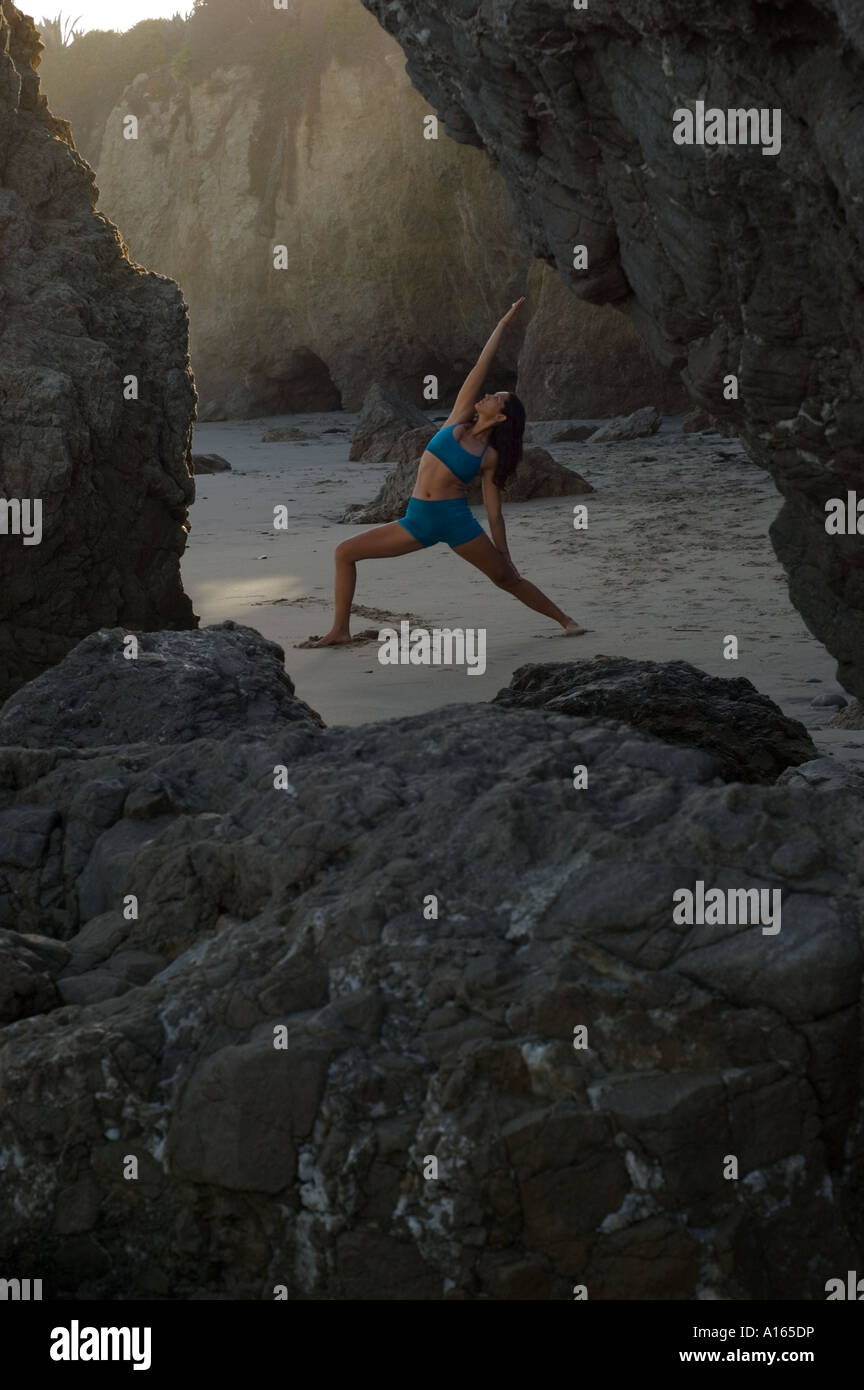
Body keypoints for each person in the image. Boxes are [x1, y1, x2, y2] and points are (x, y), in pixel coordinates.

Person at [313, 297, 585, 645]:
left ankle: (566, 620)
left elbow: (494, 511)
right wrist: (502, 325)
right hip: (416, 520)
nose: (486, 396)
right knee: (344, 552)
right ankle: (340, 630)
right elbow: (478, 369)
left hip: (456, 523)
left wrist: (505, 554)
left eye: (495, 399)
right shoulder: (458, 419)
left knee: (506, 578)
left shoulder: (488, 457)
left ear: (500, 417)